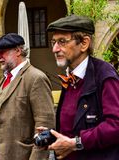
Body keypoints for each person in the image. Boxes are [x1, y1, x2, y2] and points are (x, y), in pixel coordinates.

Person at [38, 15, 119, 160]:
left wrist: (77, 143)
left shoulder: (104, 75)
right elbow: (75, 126)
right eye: (53, 42)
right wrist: (54, 134)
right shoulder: (70, 78)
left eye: (62, 41)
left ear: (84, 43)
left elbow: (115, 125)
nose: (55, 49)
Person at [0, 33, 55, 160]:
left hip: (18, 154)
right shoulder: (5, 78)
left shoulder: (35, 78)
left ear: (18, 51)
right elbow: (4, 114)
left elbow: (45, 126)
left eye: (3, 52)